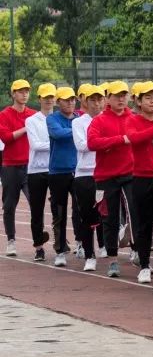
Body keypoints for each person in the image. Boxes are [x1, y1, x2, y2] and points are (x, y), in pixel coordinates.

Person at [86, 81, 138, 278]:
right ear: (108, 98)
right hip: (105, 177)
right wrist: (120, 140)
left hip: (130, 174)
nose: (121, 99)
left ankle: (137, 251)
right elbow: (92, 143)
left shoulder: (133, 118)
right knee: (109, 218)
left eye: (124, 95)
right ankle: (113, 260)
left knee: (135, 213)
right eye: (117, 96)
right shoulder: (99, 121)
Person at [128, 82, 153, 283]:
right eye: (148, 97)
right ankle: (143, 265)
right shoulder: (133, 120)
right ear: (139, 101)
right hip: (141, 178)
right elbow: (134, 139)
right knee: (144, 224)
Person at [1, 79, 36, 257]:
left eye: (26, 91)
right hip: (11, 167)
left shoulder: (33, 114)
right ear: (13, 94)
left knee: (35, 203)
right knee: (9, 205)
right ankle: (11, 240)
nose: (24, 94)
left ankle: (39, 241)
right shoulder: (4, 115)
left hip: (31, 166)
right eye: (20, 91)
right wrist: (26, 128)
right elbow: (6, 137)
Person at [72, 85, 105, 270]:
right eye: (92, 100)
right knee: (87, 215)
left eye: (100, 99)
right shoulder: (78, 122)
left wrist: (99, 142)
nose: (96, 103)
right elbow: (82, 145)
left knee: (107, 213)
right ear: (85, 101)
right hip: (85, 173)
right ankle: (89, 255)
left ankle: (106, 247)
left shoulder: (108, 119)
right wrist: (105, 142)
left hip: (106, 172)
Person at [25, 83, 58, 262]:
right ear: (39, 99)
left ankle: (60, 243)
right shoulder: (31, 120)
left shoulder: (59, 118)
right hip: (36, 170)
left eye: (51, 97)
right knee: (37, 210)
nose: (49, 100)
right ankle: (39, 247)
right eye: (45, 97)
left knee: (58, 207)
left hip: (56, 169)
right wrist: (57, 142)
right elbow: (35, 145)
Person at [46, 87, 79, 267]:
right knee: (59, 212)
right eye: (66, 100)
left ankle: (82, 243)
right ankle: (60, 250)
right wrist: (78, 130)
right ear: (58, 102)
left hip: (78, 171)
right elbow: (57, 134)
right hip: (58, 172)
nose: (70, 103)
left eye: (73, 99)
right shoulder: (52, 119)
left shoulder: (79, 118)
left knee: (81, 209)